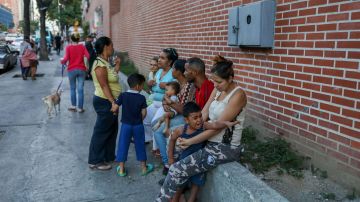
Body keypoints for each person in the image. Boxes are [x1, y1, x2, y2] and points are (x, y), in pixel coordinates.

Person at [156, 55, 247, 201]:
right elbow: (203, 114)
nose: (215, 85)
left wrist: (191, 141)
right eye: (214, 81)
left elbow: (216, 127)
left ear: (230, 78)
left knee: (177, 168)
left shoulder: (238, 95)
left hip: (224, 147)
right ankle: (177, 190)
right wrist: (187, 131)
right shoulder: (217, 90)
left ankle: (163, 198)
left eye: (219, 82)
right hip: (209, 138)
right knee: (175, 144)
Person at [168, 102, 239, 202]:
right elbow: (171, 140)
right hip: (185, 161)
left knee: (196, 183)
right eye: (195, 117)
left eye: (200, 116)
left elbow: (214, 125)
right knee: (180, 184)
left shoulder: (203, 126)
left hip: (200, 161)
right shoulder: (181, 130)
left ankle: (191, 200)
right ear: (186, 120)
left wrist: (226, 123)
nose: (199, 120)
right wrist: (170, 157)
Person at [154, 57, 213, 176]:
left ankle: (172, 168)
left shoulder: (208, 88)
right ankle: (169, 166)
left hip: (200, 126)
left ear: (194, 72)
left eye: (186, 71)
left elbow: (201, 117)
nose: (184, 73)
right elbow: (189, 110)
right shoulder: (197, 88)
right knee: (161, 130)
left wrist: (171, 104)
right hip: (192, 121)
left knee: (168, 134)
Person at [111, 73, 154, 177]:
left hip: (126, 125)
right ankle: (144, 168)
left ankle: (121, 169)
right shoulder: (141, 98)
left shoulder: (123, 95)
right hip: (138, 125)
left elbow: (115, 108)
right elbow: (144, 113)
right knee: (140, 145)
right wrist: (140, 119)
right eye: (142, 85)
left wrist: (114, 112)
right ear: (138, 86)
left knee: (123, 145)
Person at [88, 36, 121, 170]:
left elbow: (112, 76)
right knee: (102, 131)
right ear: (106, 47)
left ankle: (108, 156)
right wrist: (113, 102)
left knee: (112, 129)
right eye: (112, 45)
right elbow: (104, 85)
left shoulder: (105, 62)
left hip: (110, 101)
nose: (113, 48)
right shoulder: (99, 64)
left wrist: (117, 64)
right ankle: (95, 160)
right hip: (104, 101)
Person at [143, 48, 177, 144]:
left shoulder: (173, 73)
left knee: (155, 123)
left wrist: (166, 86)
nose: (159, 60)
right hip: (154, 102)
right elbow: (153, 89)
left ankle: (158, 146)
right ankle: (149, 139)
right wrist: (150, 84)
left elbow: (174, 91)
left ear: (170, 61)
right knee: (145, 119)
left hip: (165, 104)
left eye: (162, 58)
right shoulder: (158, 71)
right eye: (159, 57)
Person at [60, 33, 90, 113]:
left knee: (73, 88)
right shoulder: (82, 47)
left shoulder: (68, 47)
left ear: (71, 39)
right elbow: (88, 56)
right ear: (79, 39)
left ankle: (73, 106)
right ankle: (80, 108)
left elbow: (66, 59)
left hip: (71, 70)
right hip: (81, 70)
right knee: (80, 89)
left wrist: (62, 61)